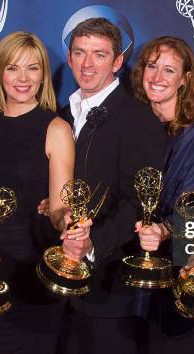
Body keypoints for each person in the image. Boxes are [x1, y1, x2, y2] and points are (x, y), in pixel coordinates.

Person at [58, 18, 169, 354]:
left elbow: (140, 201)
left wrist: (92, 244)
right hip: (60, 280)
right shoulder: (63, 115)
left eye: (99, 55)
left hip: (109, 289)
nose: (87, 64)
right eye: (80, 53)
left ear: (118, 62)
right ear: (69, 57)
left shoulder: (138, 120)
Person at [0, 31, 77, 354]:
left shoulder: (55, 129)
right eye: (13, 68)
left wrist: (69, 221)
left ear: (43, 74)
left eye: (33, 68)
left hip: (31, 272)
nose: (23, 78)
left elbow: (59, 208)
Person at [129, 36, 194, 353]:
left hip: (174, 287)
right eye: (152, 66)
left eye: (169, 70)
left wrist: (166, 228)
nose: (157, 78)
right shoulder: (132, 125)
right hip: (124, 282)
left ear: (185, 79)